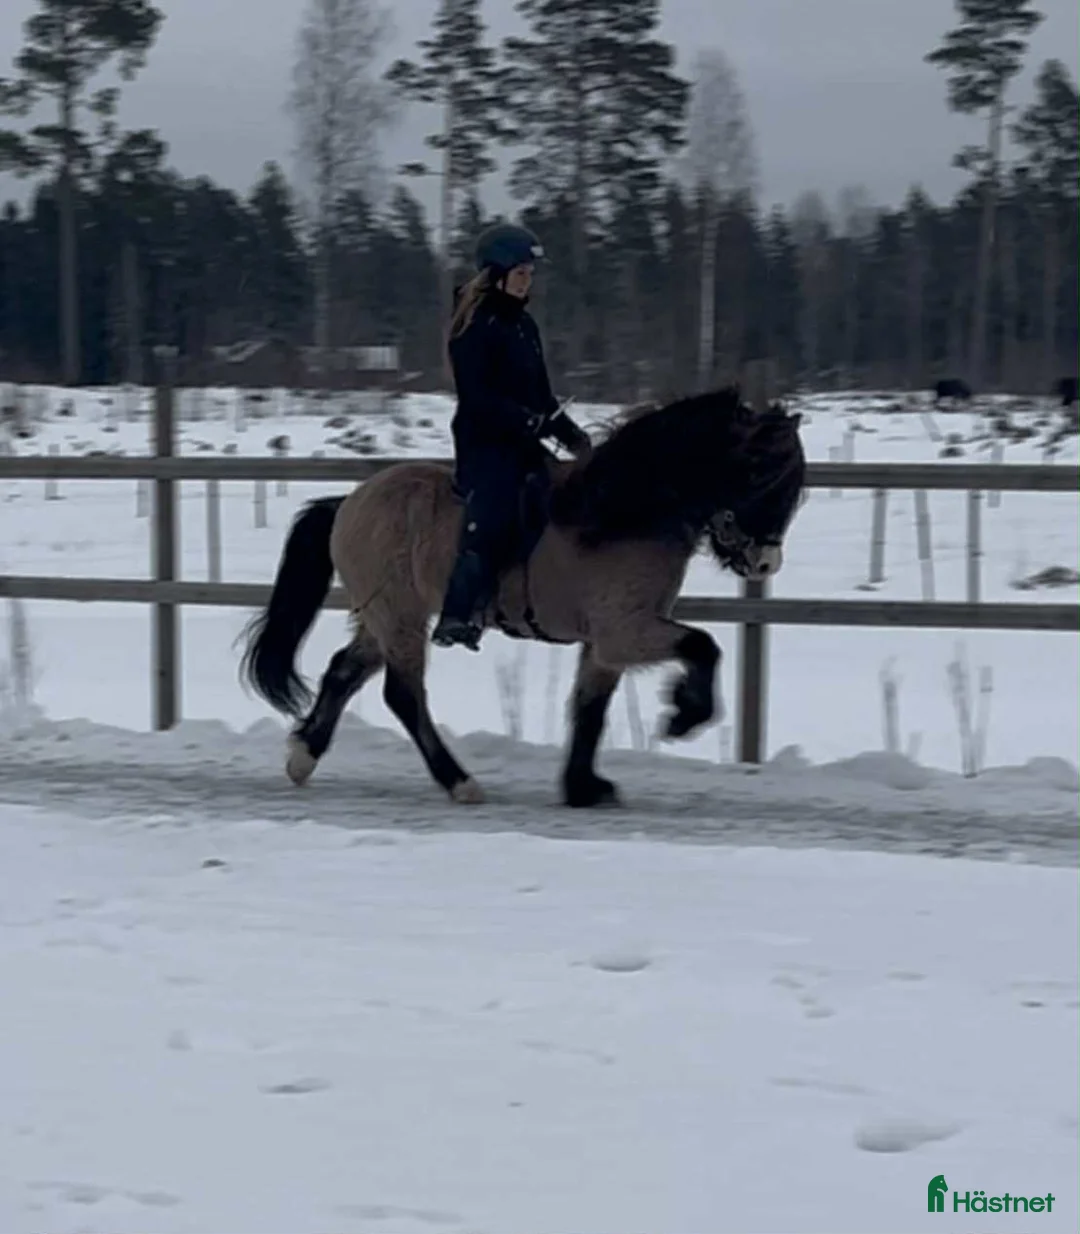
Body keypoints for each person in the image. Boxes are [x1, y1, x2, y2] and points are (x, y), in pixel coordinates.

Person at [431, 222, 592, 651]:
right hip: (485, 446)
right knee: (496, 510)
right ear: (496, 274)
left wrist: (573, 436)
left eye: (531, 275)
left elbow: (541, 394)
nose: (528, 282)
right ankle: (457, 612)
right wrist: (523, 420)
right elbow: (477, 397)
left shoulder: (525, 327)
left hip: (523, 444)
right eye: (521, 273)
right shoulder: (473, 327)